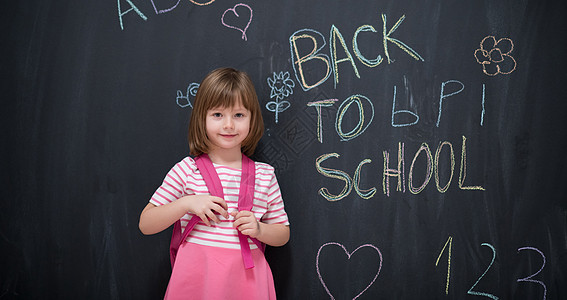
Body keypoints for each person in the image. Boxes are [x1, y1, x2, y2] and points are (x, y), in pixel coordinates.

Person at [139, 68, 290, 299]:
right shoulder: (187, 171)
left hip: (247, 282)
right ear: (202, 118)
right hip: (197, 280)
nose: (229, 125)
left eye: (239, 115)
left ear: (252, 119)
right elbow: (146, 224)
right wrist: (186, 203)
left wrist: (260, 230)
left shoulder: (265, 175)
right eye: (218, 115)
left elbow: (282, 233)